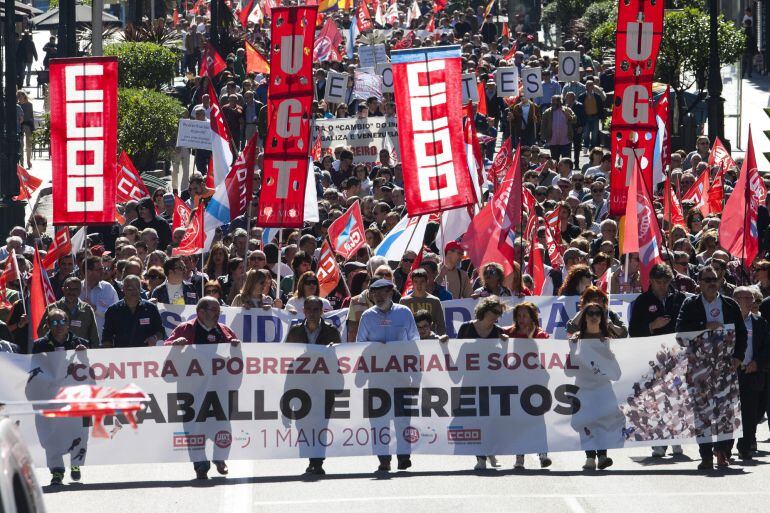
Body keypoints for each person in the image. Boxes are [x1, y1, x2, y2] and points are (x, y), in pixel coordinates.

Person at [676, 265, 747, 470]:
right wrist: (704, 327)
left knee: (726, 412)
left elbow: (741, 333)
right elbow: (680, 331)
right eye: (707, 279)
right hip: (699, 368)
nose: (711, 283)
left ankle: (723, 451)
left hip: (726, 366)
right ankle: (706, 455)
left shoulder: (730, 305)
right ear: (699, 283)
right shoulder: (690, 304)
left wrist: (738, 357)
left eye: (714, 279)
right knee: (703, 413)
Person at [165, 297, 240, 479]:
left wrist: (235, 347)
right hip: (191, 389)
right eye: (214, 310)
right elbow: (165, 347)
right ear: (201, 312)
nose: (218, 315)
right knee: (193, 428)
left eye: (218, 311)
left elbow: (235, 349)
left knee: (223, 425)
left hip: (218, 388)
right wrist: (176, 346)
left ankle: (220, 458)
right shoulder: (185, 329)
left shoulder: (224, 331)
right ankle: (200, 464)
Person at [356, 278, 418, 472]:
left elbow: (414, 341)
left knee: (402, 418)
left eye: (382, 292)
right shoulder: (367, 316)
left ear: (391, 292)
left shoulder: (404, 313)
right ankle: (384, 459)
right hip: (376, 380)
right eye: (374, 293)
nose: (378, 296)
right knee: (379, 421)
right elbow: (360, 345)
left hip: (400, 377)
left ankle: (403, 456)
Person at [628, 264, 687, 457]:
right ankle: (659, 442)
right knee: (656, 400)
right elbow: (634, 331)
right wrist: (652, 326)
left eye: (666, 282)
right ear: (651, 281)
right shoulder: (642, 301)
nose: (662, 286)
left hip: (677, 357)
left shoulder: (680, 299)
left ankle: (677, 437)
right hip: (652, 358)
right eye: (658, 282)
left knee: (676, 398)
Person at [31, 308, 89, 486]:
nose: (59, 326)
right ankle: (56, 471)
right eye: (54, 322)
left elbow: (93, 369)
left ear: (68, 323)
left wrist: (84, 355)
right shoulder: (39, 345)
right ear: (47, 325)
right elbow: (33, 370)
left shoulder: (81, 343)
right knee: (51, 436)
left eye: (62, 322)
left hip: (75, 398)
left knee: (79, 432)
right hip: (50, 397)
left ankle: (76, 464)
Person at [285, 296, 341, 475]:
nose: (312, 313)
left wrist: (333, 351)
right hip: (301, 387)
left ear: (322, 311)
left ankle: (317, 461)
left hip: (323, 386)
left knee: (321, 425)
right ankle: (309, 458)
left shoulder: (331, 331)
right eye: (309, 309)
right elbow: (286, 359)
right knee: (303, 425)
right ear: (304, 311)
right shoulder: (294, 332)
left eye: (316, 310)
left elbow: (341, 357)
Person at [569, 301, 622, 471]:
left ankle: (603, 456)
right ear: (584, 317)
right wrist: (572, 349)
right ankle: (590, 457)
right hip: (583, 387)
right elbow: (568, 369)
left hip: (603, 388)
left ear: (601, 317)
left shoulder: (607, 340)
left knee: (603, 421)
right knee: (585, 422)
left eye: (597, 313)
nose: (593, 316)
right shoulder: (576, 339)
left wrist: (607, 350)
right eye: (590, 313)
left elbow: (615, 368)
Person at [457, 296, 508, 471]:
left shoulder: (499, 332)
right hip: (470, 383)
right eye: (494, 312)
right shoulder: (466, 328)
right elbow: (457, 352)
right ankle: (481, 457)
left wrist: (506, 345)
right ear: (484, 310)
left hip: (491, 385)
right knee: (475, 422)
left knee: (490, 422)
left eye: (499, 314)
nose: (497, 316)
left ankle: (490, 451)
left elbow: (505, 361)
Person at [503, 302, 552, 469]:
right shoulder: (509, 333)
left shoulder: (542, 335)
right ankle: (519, 457)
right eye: (519, 315)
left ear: (532, 317)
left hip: (537, 382)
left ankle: (542, 453)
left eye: (525, 315)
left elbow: (549, 352)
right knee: (518, 419)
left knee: (538, 418)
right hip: (516, 382)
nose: (521, 319)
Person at [731, 287, 768, 460]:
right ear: (735, 300)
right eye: (745, 298)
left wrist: (757, 363)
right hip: (731, 373)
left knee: (750, 412)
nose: (749, 301)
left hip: (751, 372)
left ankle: (745, 446)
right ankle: (724, 448)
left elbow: (766, 347)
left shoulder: (760, 322)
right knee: (729, 412)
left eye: (751, 298)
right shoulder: (727, 321)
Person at [102, 275, 165, 348]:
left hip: (146, 355)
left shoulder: (151, 308)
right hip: (121, 355)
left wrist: (154, 338)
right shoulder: (113, 311)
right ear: (123, 289)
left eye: (137, 288)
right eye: (130, 289)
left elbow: (161, 331)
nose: (134, 292)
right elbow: (107, 338)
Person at [38, 277, 99, 348]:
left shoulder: (87, 310)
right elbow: (40, 333)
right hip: (55, 353)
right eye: (68, 288)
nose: (71, 292)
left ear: (80, 290)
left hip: (80, 353)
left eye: (75, 289)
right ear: (63, 289)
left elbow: (94, 337)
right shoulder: (52, 308)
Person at [399, 269, 446, 335]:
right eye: (416, 282)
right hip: (412, 341)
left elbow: (441, 325)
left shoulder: (435, 301)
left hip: (430, 340)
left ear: (427, 282)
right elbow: (401, 325)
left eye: (422, 282)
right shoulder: (404, 301)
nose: (419, 285)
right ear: (412, 283)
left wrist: (440, 339)